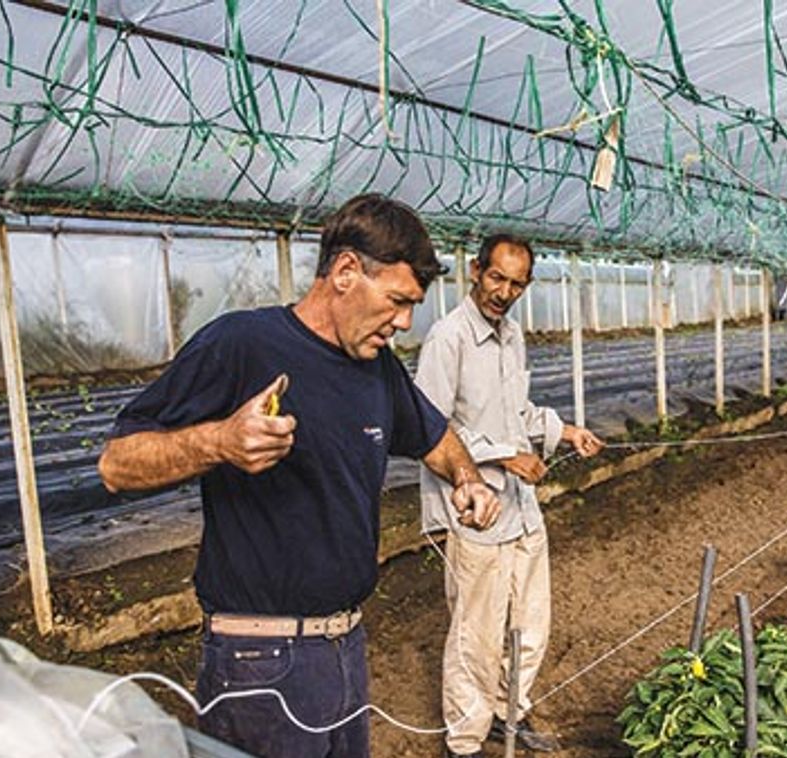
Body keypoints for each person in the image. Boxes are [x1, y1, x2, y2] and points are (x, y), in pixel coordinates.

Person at [96, 194, 501, 758]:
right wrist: (219, 441)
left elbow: (434, 436)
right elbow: (117, 464)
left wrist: (467, 478)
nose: (405, 322)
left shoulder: (377, 368)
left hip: (344, 647)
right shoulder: (243, 344)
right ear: (344, 272)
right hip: (259, 662)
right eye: (397, 301)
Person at [415, 234, 605, 758]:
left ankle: (508, 713)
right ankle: (466, 741)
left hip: (520, 508)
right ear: (475, 271)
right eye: (496, 278)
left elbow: (516, 413)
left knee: (530, 622)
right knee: (475, 632)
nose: (503, 292)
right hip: (474, 510)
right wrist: (502, 457)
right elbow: (427, 428)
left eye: (516, 283)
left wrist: (567, 432)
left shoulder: (512, 336)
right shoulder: (447, 339)